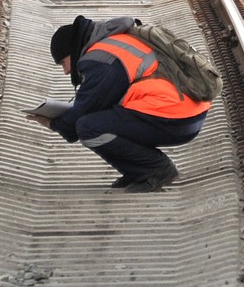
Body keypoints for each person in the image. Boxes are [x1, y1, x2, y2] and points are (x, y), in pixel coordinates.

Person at [30, 14, 211, 193]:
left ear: (72, 50)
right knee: (105, 119)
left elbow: (84, 111)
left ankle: (157, 169)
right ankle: (138, 172)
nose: (66, 71)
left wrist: (53, 123)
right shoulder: (116, 41)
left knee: (88, 127)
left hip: (175, 117)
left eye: (63, 62)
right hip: (189, 112)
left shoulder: (100, 59)